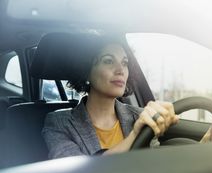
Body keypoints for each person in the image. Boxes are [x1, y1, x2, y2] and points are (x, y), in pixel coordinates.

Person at [42, 34, 179, 158]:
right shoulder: (58, 124)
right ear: (86, 71)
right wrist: (134, 136)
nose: (120, 70)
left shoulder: (140, 117)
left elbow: (153, 168)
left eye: (125, 63)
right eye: (108, 61)